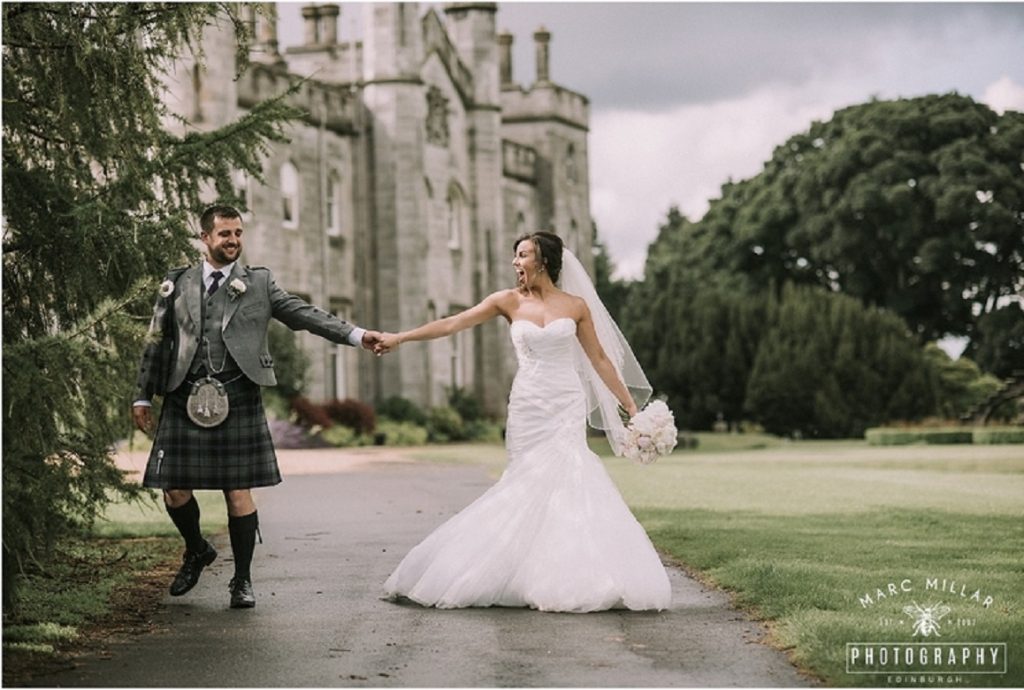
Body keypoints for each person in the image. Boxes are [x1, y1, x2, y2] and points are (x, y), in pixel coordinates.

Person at [374, 231, 672, 612]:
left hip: (565, 403)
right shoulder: (507, 301)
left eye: (522, 255)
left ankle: (569, 575)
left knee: (571, 477)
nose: (516, 263)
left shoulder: (576, 306)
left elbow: (598, 358)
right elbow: (454, 323)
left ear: (543, 260)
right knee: (523, 483)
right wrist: (400, 338)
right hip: (529, 405)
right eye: (515, 256)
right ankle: (507, 570)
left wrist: (631, 408)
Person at [133, 204, 381, 609]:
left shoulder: (259, 283)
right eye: (225, 234)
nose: (233, 241)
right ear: (205, 238)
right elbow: (155, 341)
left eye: (238, 233)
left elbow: (304, 315)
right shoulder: (176, 282)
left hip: (237, 395)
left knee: (237, 491)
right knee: (174, 489)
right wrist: (143, 394)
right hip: (183, 395)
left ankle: (242, 580)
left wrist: (357, 334)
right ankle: (196, 549)